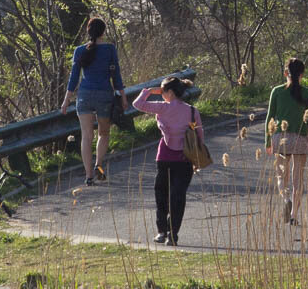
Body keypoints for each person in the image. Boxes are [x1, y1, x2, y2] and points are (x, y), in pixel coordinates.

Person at [132, 76, 204, 245]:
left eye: (163, 91)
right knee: (178, 197)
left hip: (164, 157)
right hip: (185, 158)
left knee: (161, 194)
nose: (161, 94)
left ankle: (161, 231)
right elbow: (200, 136)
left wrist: (148, 91)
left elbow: (137, 104)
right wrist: (197, 159)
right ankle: (173, 234)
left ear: (170, 92)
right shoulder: (192, 111)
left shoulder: (163, 108)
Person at [61, 16, 125, 185]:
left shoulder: (79, 50)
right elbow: (116, 75)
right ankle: (99, 165)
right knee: (103, 134)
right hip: (104, 94)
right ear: (103, 31)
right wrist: (123, 96)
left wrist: (66, 100)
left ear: (88, 31)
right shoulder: (110, 49)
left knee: (86, 137)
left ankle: (89, 176)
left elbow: (74, 78)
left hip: (85, 95)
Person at [266, 57, 308, 225]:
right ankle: (293, 214)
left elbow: (269, 117)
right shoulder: (307, 93)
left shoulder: (277, 91)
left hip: (281, 138)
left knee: (281, 176)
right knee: (298, 179)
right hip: (300, 138)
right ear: (302, 74)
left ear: (285, 73)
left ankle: (286, 199)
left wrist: (268, 141)